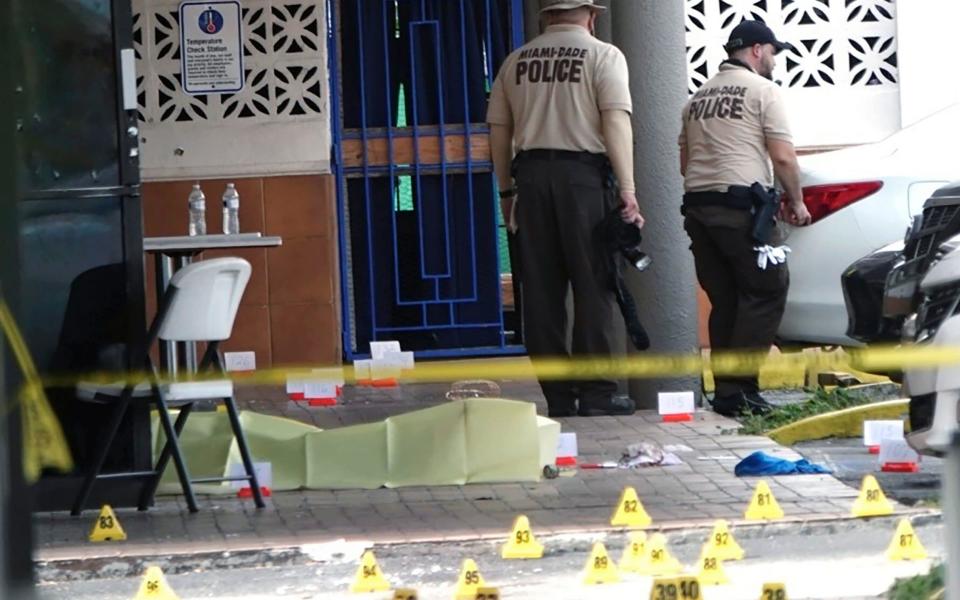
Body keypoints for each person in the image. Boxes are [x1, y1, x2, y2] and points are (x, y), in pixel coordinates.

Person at [486, 0, 642, 418]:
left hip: (531, 181)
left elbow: (498, 132)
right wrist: (627, 188)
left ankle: (557, 396)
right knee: (595, 285)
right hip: (584, 181)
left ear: (547, 16)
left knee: (540, 292)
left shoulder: (515, 61)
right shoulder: (604, 55)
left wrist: (506, 194)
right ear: (591, 16)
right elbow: (615, 121)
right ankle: (597, 393)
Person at [679, 20, 812, 417]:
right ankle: (741, 391)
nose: (773, 60)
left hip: (699, 210)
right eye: (772, 52)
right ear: (757, 50)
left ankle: (726, 394)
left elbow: (685, 165)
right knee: (767, 289)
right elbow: (784, 156)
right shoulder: (763, 91)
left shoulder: (696, 98)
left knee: (727, 300)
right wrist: (797, 201)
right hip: (742, 211)